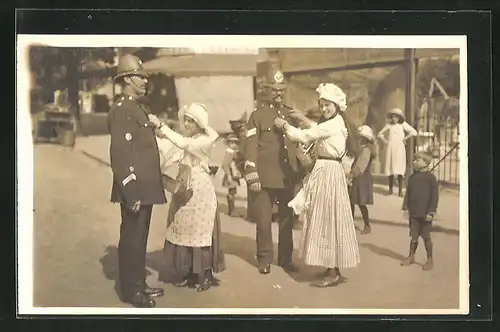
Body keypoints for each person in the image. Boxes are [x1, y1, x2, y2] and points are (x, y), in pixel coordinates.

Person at [276, 83, 361, 288]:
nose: (324, 109)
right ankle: (331, 266)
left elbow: (305, 135)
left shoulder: (333, 123)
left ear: (337, 105)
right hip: (327, 172)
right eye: (321, 105)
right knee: (327, 218)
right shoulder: (335, 122)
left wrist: (285, 126)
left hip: (329, 173)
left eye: (327, 105)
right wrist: (303, 119)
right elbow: (316, 129)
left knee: (327, 218)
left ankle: (333, 272)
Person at [107, 54, 166, 308]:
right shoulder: (123, 110)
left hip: (145, 187)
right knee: (132, 238)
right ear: (129, 79)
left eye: (144, 77)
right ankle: (131, 291)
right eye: (140, 77)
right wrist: (130, 191)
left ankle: (138, 284)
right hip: (135, 189)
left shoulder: (137, 108)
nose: (145, 82)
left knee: (140, 238)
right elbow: (120, 154)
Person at [148, 103, 226, 292]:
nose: (186, 124)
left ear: (199, 123)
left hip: (200, 191)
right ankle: (190, 271)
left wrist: (161, 125)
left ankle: (205, 273)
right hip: (184, 187)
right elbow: (171, 151)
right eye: (185, 120)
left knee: (201, 232)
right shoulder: (189, 139)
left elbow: (182, 144)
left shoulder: (203, 140)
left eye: (191, 121)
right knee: (185, 228)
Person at [243, 61, 300, 275]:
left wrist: (301, 174)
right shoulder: (257, 116)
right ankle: (265, 258)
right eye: (274, 90)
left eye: (281, 90)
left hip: (287, 177)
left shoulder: (290, 114)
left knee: (287, 222)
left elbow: (298, 145)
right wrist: (252, 173)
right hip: (264, 177)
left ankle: (286, 259)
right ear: (267, 90)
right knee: (264, 222)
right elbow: (249, 147)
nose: (278, 94)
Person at [400, 151, 439, 271]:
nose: (414, 162)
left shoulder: (431, 178)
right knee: (414, 236)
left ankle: (430, 259)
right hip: (414, 213)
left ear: (426, 162)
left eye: (417, 160)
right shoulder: (412, 177)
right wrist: (405, 207)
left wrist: (431, 212)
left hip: (425, 214)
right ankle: (411, 256)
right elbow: (408, 194)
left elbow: (434, 197)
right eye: (414, 160)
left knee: (426, 236)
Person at [377, 108, 418, 196]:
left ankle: (400, 190)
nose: (394, 119)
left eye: (396, 117)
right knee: (390, 167)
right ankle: (390, 189)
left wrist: (405, 138)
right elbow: (380, 134)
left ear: (399, 118)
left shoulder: (403, 125)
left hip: (399, 148)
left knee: (399, 168)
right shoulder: (389, 126)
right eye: (393, 117)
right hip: (391, 148)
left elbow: (414, 132)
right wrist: (385, 141)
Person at [347, 125, 376, 235]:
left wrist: (352, 174)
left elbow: (361, 165)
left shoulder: (366, 150)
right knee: (351, 201)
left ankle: (367, 224)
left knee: (361, 202)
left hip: (361, 179)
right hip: (357, 178)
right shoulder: (361, 148)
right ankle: (349, 223)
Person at [221, 133, 244, 217]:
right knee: (231, 192)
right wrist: (229, 175)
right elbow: (224, 164)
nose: (233, 145)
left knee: (232, 192)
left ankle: (232, 210)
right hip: (230, 175)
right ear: (228, 144)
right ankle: (232, 211)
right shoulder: (229, 152)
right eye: (231, 143)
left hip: (232, 175)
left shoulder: (233, 152)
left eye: (235, 143)